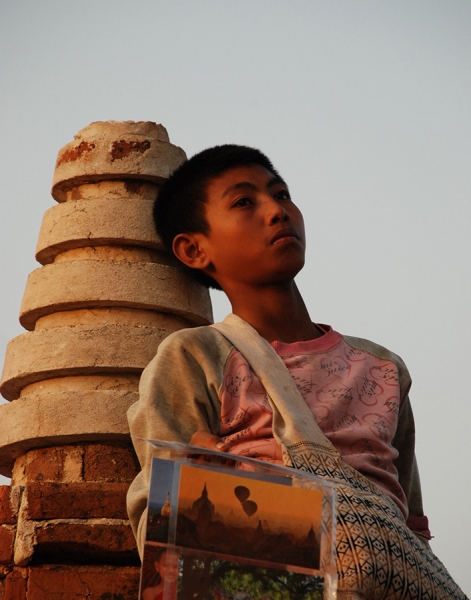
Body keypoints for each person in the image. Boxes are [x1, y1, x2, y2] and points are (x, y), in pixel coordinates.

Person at [127, 145, 466, 599]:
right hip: (281, 579)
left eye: (281, 194)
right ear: (194, 249)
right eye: (244, 202)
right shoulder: (196, 354)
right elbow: (171, 497)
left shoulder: (383, 367)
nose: (276, 211)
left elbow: (409, 518)